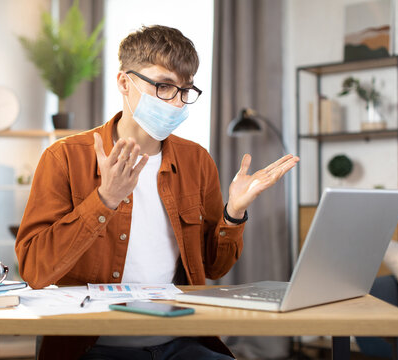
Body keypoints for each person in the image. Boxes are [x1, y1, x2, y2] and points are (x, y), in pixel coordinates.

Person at [15, 25, 299, 360]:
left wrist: (233, 212)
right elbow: (34, 270)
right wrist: (104, 199)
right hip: (96, 346)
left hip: (181, 342)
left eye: (185, 90)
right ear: (125, 82)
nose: (177, 102)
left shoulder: (197, 161)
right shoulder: (64, 157)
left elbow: (213, 267)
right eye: (164, 86)